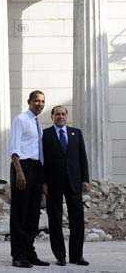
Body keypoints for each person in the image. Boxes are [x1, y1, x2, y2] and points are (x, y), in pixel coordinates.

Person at [43, 105, 90, 266]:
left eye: (63, 114)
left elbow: (82, 158)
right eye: (57, 114)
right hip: (53, 184)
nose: (60, 116)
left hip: (74, 182)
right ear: (52, 117)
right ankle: (60, 256)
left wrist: (85, 179)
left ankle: (77, 256)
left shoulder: (76, 133)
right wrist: (43, 182)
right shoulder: (45, 135)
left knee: (77, 219)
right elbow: (42, 161)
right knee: (55, 220)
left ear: (66, 116)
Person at [8, 90, 50, 268]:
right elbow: (14, 149)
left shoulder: (37, 122)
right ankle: (17, 255)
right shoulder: (21, 120)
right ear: (29, 102)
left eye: (42, 101)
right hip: (22, 166)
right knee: (20, 213)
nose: (39, 104)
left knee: (33, 213)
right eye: (36, 101)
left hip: (36, 168)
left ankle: (29, 251)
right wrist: (19, 172)